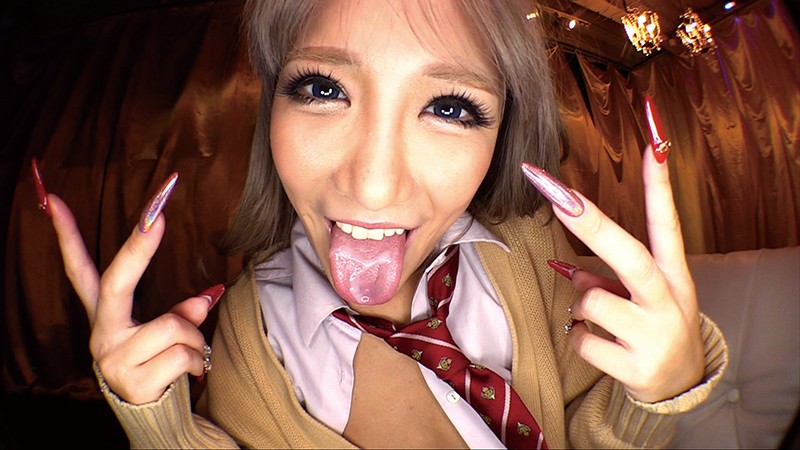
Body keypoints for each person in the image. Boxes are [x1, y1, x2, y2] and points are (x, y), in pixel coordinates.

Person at [33, 0, 727, 448]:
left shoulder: (531, 256)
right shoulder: (249, 338)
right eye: (323, 89)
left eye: (449, 107)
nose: (372, 185)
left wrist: (656, 395)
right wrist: (161, 425)